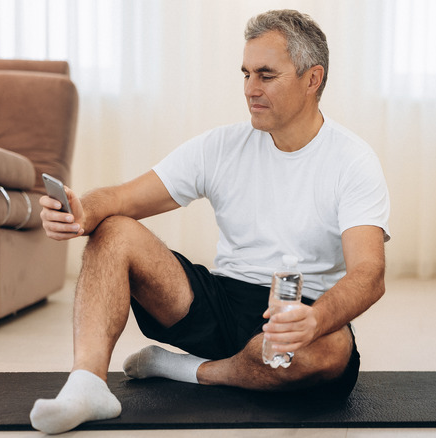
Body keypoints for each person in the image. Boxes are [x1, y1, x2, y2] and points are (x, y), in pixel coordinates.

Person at [30, 9, 390, 435]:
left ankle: (190, 370)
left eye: (266, 76)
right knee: (115, 228)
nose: (250, 89)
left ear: (313, 79)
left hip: (297, 313)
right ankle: (87, 384)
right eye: (246, 74)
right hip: (218, 302)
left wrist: (314, 319)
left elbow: (369, 273)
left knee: (332, 351)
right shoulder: (221, 146)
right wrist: (81, 211)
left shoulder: (352, 161)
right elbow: (122, 197)